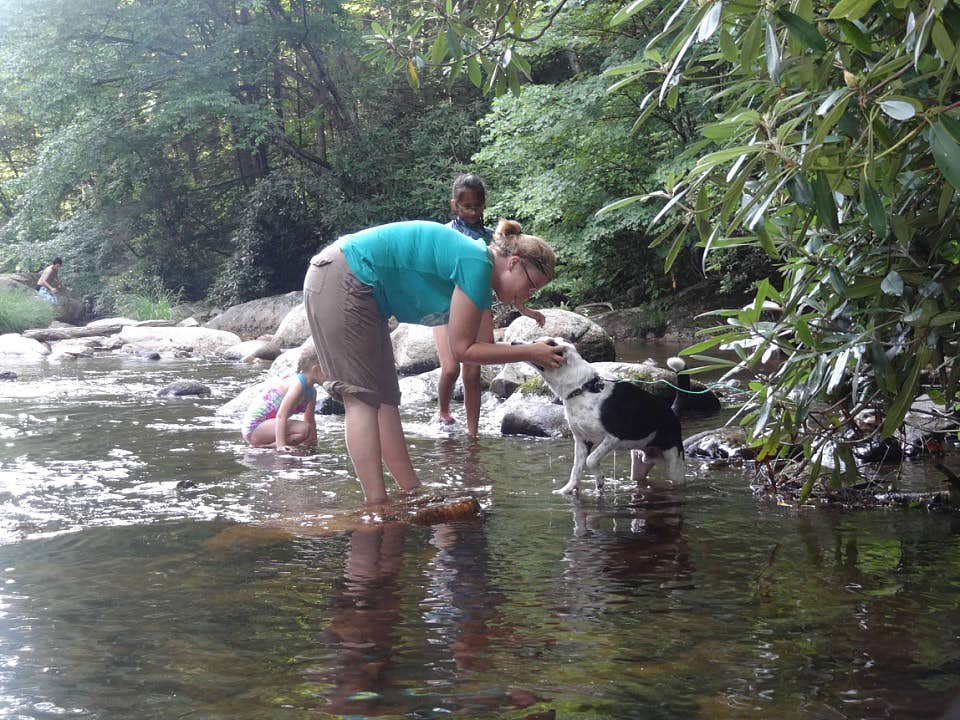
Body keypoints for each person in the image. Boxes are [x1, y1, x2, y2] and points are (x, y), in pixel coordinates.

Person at [303, 218, 564, 506]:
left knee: (386, 397)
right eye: (531, 286)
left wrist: (524, 323)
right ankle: (377, 505)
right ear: (514, 263)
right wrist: (530, 352)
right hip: (344, 276)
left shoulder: (478, 265)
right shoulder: (476, 264)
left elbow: (483, 346)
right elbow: (464, 350)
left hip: (356, 284)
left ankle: (410, 492)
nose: (529, 295)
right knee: (361, 398)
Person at [434, 173, 546, 436]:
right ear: (455, 205)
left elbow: (508, 281)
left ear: (484, 205)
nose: (473, 212)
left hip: (478, 304)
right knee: (450, 368)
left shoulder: (491, 240)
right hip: (444, 304)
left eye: (477, 206)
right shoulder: (445, 234)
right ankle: (443, 411)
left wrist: (526, 310)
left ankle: (473, 432)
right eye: (466, 207)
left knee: (472, 373)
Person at [241, 361, 322, 452]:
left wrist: (312, 443)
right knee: (303, 429)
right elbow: (281, 416)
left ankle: (268, 444)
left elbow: (310, 419)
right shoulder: (297, 384)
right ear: (316, 370)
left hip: (268, 427)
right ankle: (266, 445)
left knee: (307, 429)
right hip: (255, 427)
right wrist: (281, 445)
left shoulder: (312, 392)